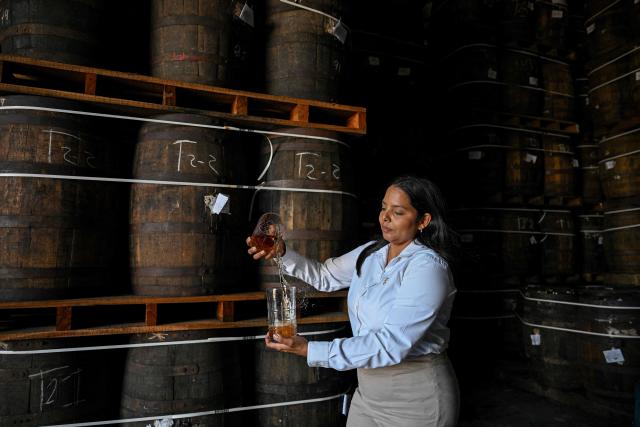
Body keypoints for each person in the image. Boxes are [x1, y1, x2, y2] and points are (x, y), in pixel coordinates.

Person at [247, 175, 460, 427]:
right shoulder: (371, 253)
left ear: (424, 221)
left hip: (415, 399)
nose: (385, 217)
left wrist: (311, 349)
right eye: (383, 208)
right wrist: (283, 253)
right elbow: (324, 276)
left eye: (398, 211)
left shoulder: (428, 268)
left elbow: (391, 345)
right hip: (368, 395)